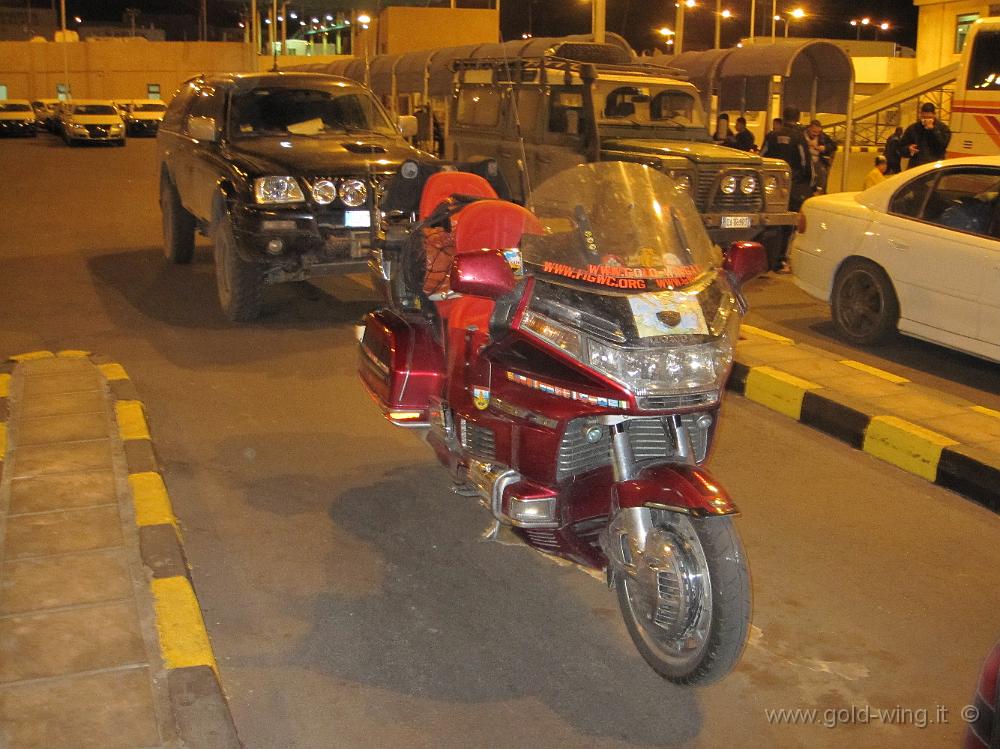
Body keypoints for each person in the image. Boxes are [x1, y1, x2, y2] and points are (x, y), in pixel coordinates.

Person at [761, 106, 812, 272]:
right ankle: (781, 260)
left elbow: (762, 157)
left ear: (782, 117)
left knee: (767, 221)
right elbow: (806, 165)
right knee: (787, 223)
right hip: (791, 187)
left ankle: (765, 260)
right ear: (797, 118)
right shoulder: (799, 137)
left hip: (770, 186)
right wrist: (805, 185)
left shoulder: (772, 135)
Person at [899, 102, 951, 168]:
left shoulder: (943, 128)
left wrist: (933, 130)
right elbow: (901, 148)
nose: (926, 120)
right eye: (924, 117)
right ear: (920, 115)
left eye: (929, 117)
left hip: (934, 166)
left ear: (934, 115)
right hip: (916, 165)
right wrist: (908, 149)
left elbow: (943, 145)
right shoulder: (913, 128)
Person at [805, 119, 837, 194]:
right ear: (809, 128)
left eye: (818, 132)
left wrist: (824, 148)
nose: (816, 134)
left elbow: (834, 146)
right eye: (814, 132)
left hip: (818, 159)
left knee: (822, 173)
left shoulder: (822, 136)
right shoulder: (801, 135)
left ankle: (819, 191)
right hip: (805, 160)